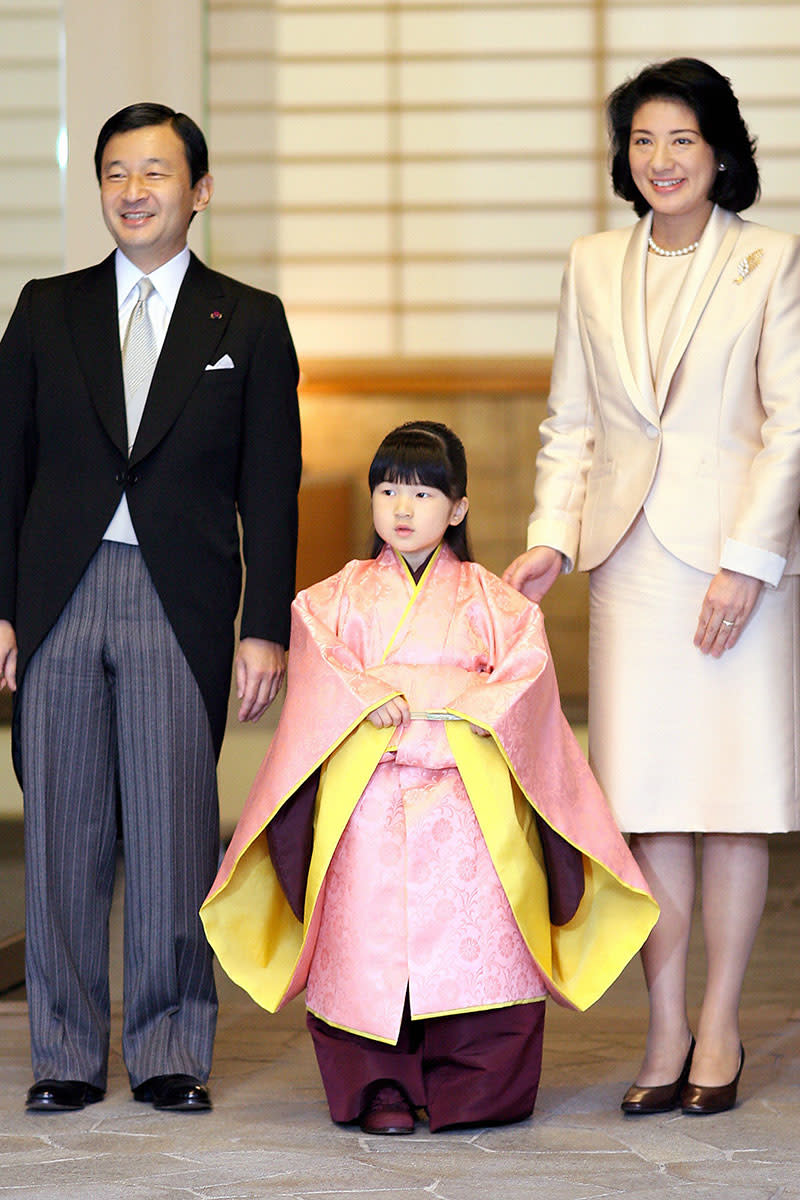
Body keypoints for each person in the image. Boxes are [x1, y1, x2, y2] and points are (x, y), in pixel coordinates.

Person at [201, 420, 657, 1134]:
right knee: (368, 945)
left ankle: (472, 1083)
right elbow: (319, 657)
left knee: (473, 944)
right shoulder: (340, 597)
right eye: (387, 490)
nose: (402, 508)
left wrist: (456, 705)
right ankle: (378, 1085)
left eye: (421, 492)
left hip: (465, 804)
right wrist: (372, 697)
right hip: (370, 802)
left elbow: (526, 675)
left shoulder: (493, 601)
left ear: (459, 508)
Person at [504, 58, 800, 1117]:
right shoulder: (589, 262)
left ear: (719, 150)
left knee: (729, 808)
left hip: (737, 573)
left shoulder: (769, 261)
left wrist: (747, 561)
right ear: (622, 158)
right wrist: (548, 539)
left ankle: (718, 1021)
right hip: (627, 565)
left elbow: (788, 425)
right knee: (645, 814)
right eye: (641, 141)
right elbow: (569, 424)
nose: (660, 159)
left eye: (681, 139)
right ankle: (663, 1021)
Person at [0, 103, 301, 1113]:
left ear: (199, 191)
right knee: (64, 833)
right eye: (116, 172)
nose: (134, 190)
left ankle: (172, 1049)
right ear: (100, 190)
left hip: (179, 596)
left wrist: (264, 625)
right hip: (57, 597)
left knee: (176, 827)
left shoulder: (247, 318)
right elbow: (6, 471)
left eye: (157, 172)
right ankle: (65, 1054)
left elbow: (272, 483)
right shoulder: (46, 309)